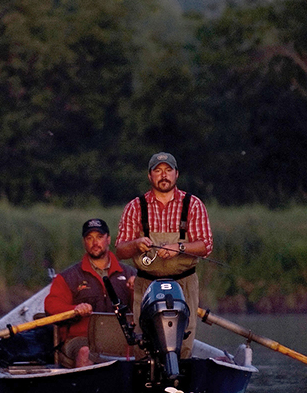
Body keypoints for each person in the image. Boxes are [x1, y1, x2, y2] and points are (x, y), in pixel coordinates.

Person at [115, 152, 213, 358]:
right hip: (146, 284)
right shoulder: (135, 207)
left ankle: (180, 374)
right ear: (149, 176)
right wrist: (136, 244)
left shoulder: (193, 204)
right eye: (158, 171)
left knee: (183, 343)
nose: (163, 175)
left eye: (168, 170)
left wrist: (179, 248)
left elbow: (206, 246)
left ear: (176, 174)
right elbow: (121, 251)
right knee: (143, 344)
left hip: (184, 284)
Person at [44, 218, 134, 368]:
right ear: (84, 242)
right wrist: (75, 309)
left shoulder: (130, 273)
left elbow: (145, 308)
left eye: (99, 237)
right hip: (81, 338)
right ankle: (85, 383)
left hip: (121, 338)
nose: (95, 242)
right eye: (89, 238)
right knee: (85, 352)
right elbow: (51, 306)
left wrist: (136, 290)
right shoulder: (68, 277)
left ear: (108, 239)